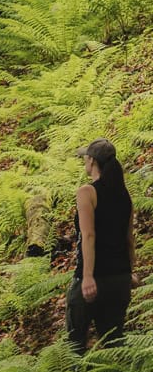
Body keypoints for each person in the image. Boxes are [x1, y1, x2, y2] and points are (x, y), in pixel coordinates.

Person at [66, 138, 136, 354]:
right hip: (120, 279)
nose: (84, 162)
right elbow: (129, 239)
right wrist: (129, 273)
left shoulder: (87, 192)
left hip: (93, 280)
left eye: (85, 158)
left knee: (75, 347)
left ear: (92, 161)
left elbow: (88, 235)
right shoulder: (125, 196)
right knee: (114, 346)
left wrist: (87, 277)